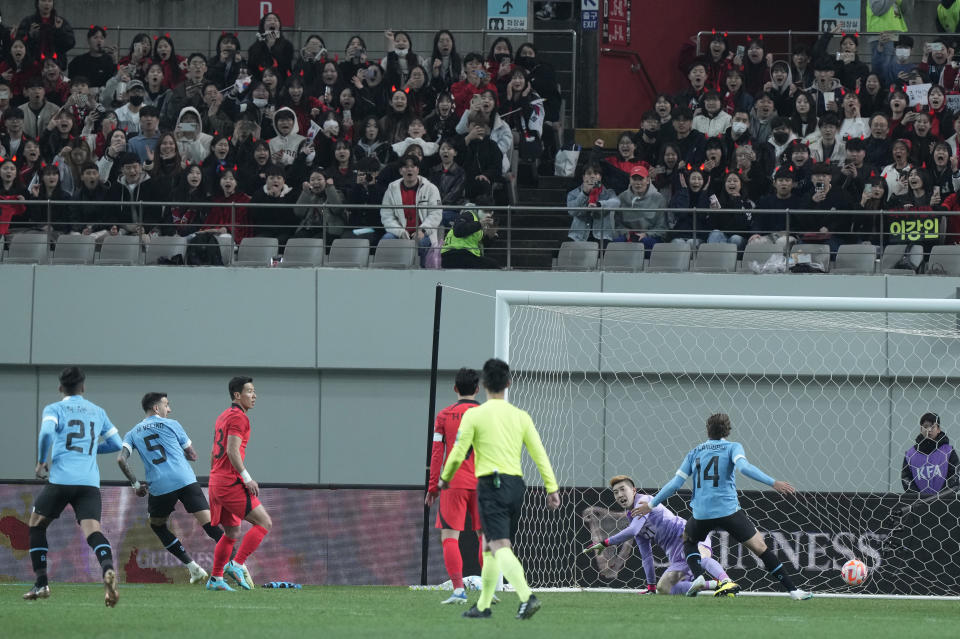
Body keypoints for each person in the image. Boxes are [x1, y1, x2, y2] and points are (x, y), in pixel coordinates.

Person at [631, 413, 813, 600]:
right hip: (728, 511)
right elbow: (744, 468)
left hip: (701, 514)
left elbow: (675, 484)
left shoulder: (695, 452)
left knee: (689, 540)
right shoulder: (733, 447)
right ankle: (793, 590)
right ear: (728, 430)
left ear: (707, 430)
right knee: (761, 548)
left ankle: (699, 576)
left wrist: (651, 504)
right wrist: (773, 482)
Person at [440, 358, 560, 620]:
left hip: (491, 484)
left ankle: (527, 597)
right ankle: (483, 606)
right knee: (489, 547)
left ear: (484, 385)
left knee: (498, 545)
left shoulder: (475, 414)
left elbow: (459, 451)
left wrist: (445, 478)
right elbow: (539, 454)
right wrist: (552, 488)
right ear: (508, 383)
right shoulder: (521, 416)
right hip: (517, 486)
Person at [25, 366, 123, 606]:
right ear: (83, 387)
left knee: (36, 525)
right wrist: (91, 449)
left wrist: (40, 462)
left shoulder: (54, 409)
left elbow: (46, 434)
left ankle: (41, 583)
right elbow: (116, 443)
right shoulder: (97, 411)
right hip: (88, 484)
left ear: (60, 388)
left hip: (60, 481)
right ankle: (108, 570)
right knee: (92, 531)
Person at [118, 393, 226, 585]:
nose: (170, 409)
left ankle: (193, 568)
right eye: (166, 405)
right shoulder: (173, 424)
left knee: (157, 525)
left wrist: (135, 485)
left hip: (160, 485)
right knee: (209, 524)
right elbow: (192, 455)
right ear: (156, 408)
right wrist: (179, 453)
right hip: (185, 480)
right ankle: (236, 564)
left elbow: (121, 459)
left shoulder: (133, 432)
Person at [583, 475, 735, 596]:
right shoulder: (634, 519)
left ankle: (726, 582)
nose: (620, 495)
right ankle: (712, 584)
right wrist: (651, 586)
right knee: (663, 588)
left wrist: (606, 543)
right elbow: (647, 556)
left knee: (700, 558)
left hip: (689, 535)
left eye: (623, 489)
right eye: (616, 492)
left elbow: (633, 530)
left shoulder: (644, 500)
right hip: (676, 555)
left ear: (634, 490)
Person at [206, 376, 273, 592]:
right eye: (250, 391)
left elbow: (213, 453)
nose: (254, 396)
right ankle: (236, 564)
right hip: (229, 481)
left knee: (232, 533)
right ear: (237, 395)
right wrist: (246, 478)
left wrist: (215, 477)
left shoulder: (223, 416)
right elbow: (232, 451)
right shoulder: (239, 418)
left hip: (217, 480)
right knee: (264, 522)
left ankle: (216, 579)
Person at [426, 368, 485, 604]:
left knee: (450, 536)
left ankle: (459, 590)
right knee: (485, 536)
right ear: (477, 389)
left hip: (453, 483)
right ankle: (489, 591)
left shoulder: (443, 416)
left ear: (455, 388)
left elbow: (437, 454)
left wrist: (433, 488)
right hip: (484, 484)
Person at [901, 412, 959, 495]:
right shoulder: (910, 454)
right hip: (919, 504)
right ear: (921, 429)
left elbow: (955, 475)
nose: (929, 430)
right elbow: (906, 478)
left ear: (938, 429)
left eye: (932, 427)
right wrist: (919, 497)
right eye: (925, 427)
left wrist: (941, 496)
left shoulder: (948, 451)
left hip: (944, 502)